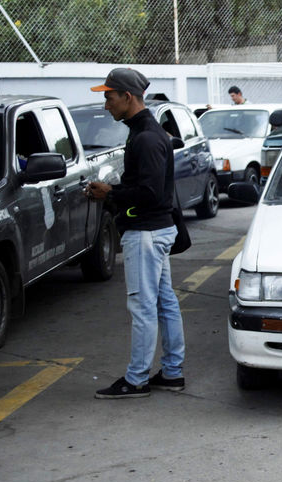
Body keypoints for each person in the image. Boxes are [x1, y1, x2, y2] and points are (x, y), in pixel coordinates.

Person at [85, 68, 187, 398]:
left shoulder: (146, 137)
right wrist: (113, 191)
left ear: (127, 97)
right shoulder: (144, 133)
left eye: (109, 97)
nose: (106, 105)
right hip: (154, 230)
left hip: (146, 233)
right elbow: (150, 190)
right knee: (164, 303)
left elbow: (151, 193)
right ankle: (171, 372)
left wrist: (110, 194)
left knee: (143, 306)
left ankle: (137, 378)